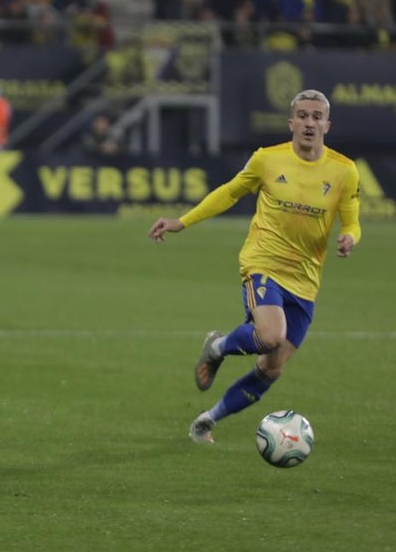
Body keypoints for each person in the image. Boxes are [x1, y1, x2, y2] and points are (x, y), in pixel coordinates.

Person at [148, 89, 361, 444]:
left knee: (272, 367)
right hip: (263, 263)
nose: (310, 123)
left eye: (317, 116)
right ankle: (217, 348)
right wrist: (181, 221)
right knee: (269, 335)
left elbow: (352, 221)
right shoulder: (267, 160)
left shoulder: (344, 171)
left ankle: (206, 421)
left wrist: (351, 237)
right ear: (291, 122)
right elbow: (229, 192)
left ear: (328, 124)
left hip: (305, 281)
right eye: (303, 116)